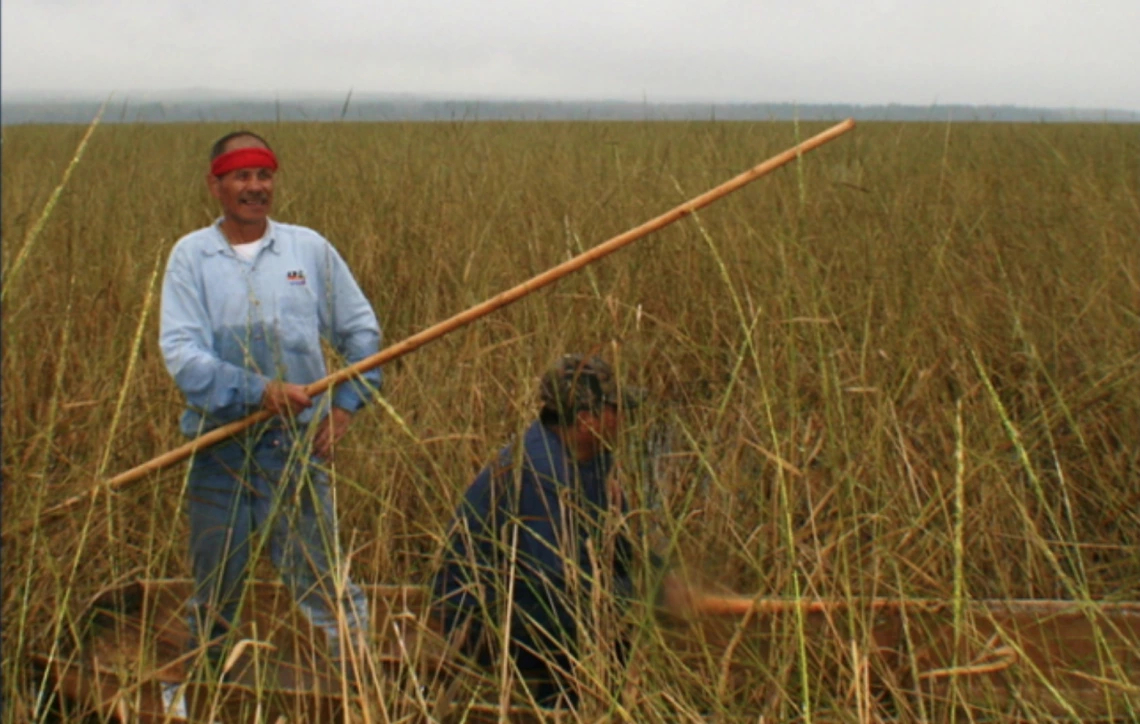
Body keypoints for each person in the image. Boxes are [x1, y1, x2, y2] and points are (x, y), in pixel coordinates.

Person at [159, 130, 382, 678]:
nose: (255, 188)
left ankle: (358, 680)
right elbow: (183, 357)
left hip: (297, 448)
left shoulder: (307, 249)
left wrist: (347, 403)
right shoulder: (191, 257)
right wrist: (258, 390)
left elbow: (362, 333)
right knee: (217, 581)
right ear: (216, 185)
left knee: (319, 575)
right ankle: (209, 681)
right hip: (219, 448)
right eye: (241, 177)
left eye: (264, 176)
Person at [430, 353, 691, 709]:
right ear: (587, 420)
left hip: (534, 595)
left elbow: (619, 537)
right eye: (616, 410)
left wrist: (663, 576)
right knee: (596, 632)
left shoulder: (591, 456)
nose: (624, 419)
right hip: (483, 619)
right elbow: (558, 590)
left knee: (616, 629)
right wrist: (645, 600)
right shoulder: (541, 474)